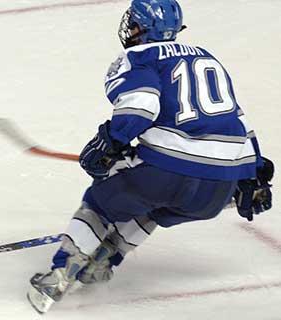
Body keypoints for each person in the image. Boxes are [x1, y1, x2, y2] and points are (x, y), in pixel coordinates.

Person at [27, 0, 274, 314]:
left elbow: (141, 106)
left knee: (100, 203)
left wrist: (110, 142)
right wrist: (253, 176)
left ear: (140, 28)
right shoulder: (208, 58)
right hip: (219, 186)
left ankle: (59, 276)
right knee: (154, 209)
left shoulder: (138, 57)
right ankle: (103, 260)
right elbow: (238, 121)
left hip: (167, 172)